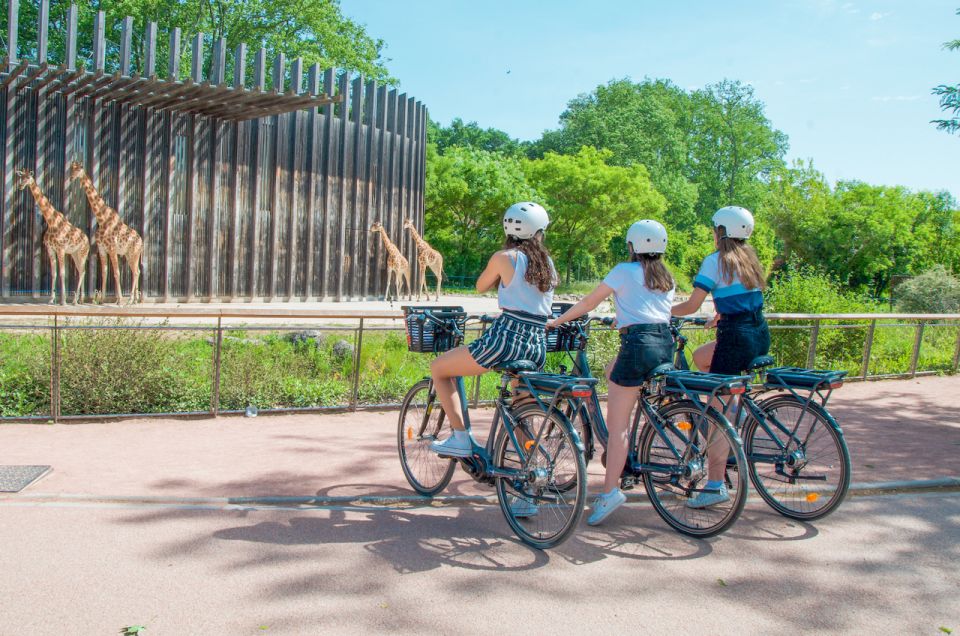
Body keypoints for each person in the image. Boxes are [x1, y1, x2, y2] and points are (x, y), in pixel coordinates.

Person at [548, 220, 675, 525]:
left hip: (636, 345)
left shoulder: (623, 271)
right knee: (611, 370)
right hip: (663, 342)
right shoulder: (666, 276)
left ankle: (609, 493)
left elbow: (589, 302)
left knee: (619, 427)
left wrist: (556, 321)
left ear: (632, 246)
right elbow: (650, 310)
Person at [429, 202, 557, 461]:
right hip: (537, 343)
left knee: (439, 368)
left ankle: (460, 438)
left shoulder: (504, 258)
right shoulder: (548, 263)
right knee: (522, 408)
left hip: (507, 336)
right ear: (538, 233)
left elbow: (480, 286)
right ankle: (530, 469)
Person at [671, 205, 770, 508]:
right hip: (758, 333)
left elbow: (690, 305)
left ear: (721, 232)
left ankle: (715, 486)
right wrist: (721, 313)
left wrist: (660, 312)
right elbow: (741, 298)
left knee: (716, 414)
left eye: (715, 229)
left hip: (735, 338)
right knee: (702, 358)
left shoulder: (715, 261)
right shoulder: (749, 259)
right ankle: (732, 415)